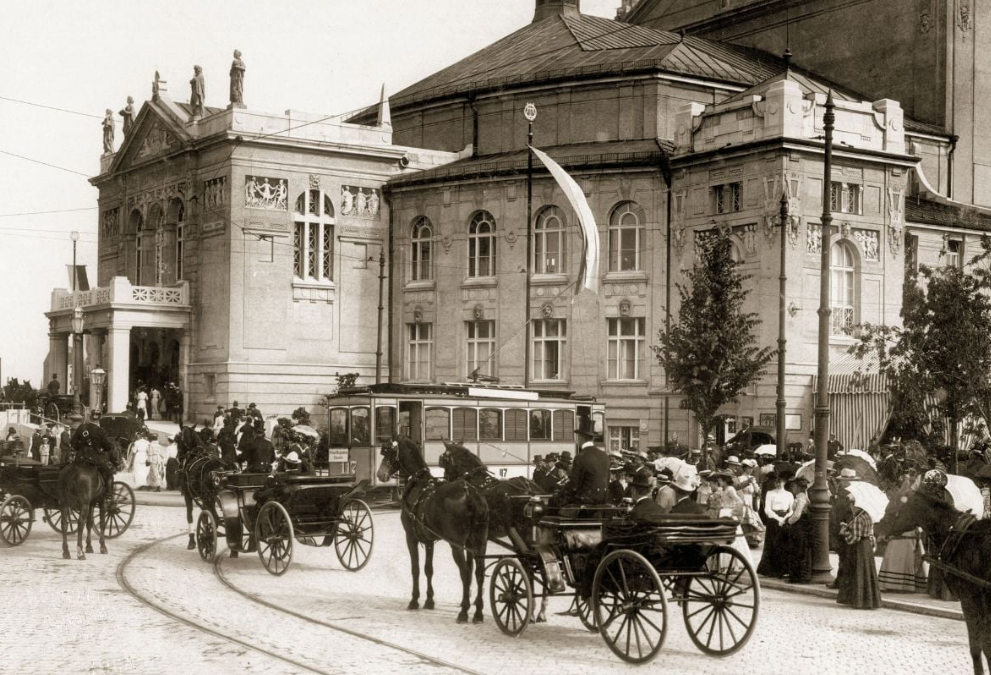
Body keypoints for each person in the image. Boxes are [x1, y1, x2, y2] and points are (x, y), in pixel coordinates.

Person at [835, 489, 881, 609]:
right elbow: (867, 533)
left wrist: (845, 533)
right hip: (867, 547)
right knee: (867, 572)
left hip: (858, 548)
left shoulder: (857, 519)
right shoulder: (867, 517)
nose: (851, 507)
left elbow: (855, 538)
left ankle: (857, 600)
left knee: (856, 571)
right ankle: (869, 600)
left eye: (851, 504)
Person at [70, 410, 117, 506]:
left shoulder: (81, 427)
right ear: (99, 419)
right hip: (95, 458)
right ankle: (108, 496)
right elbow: (108, 446)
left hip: (80, 458)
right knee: (109, 472)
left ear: (90, 417)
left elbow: (73, 443)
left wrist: (82, 448)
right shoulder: (100, 430)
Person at [556, 424, 609, 506]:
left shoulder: (580, 456)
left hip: (585, 499)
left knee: (554, 500)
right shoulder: (604, 455)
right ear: (592, 438)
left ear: (581, 438)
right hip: (603, 498)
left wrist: (561, 492)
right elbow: (607, 479)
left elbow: (574, 483)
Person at [757, 474, 793, 578]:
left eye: (780, 481)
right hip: (773, 520)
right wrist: (778, 518)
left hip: (785, 519)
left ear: (784, 482)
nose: (778, 484)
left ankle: (782, 570)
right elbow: (767, 509)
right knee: (772, 544)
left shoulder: (789, 494)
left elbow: (791, 510)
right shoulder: (770, 493)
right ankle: (770, 570)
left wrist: (785, 518)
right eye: (776, 481)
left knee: (783, 544)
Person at [781, 478, 812, 583]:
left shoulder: (801, 498)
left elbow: (797, 514)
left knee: (797, 549)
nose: (792, 488)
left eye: (794, 486)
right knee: (796, 549)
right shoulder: (800, 497)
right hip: (799, 525)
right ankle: (795, 575)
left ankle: (797, 577)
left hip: (799, 525)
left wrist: (788, 522)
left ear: (799, 487)